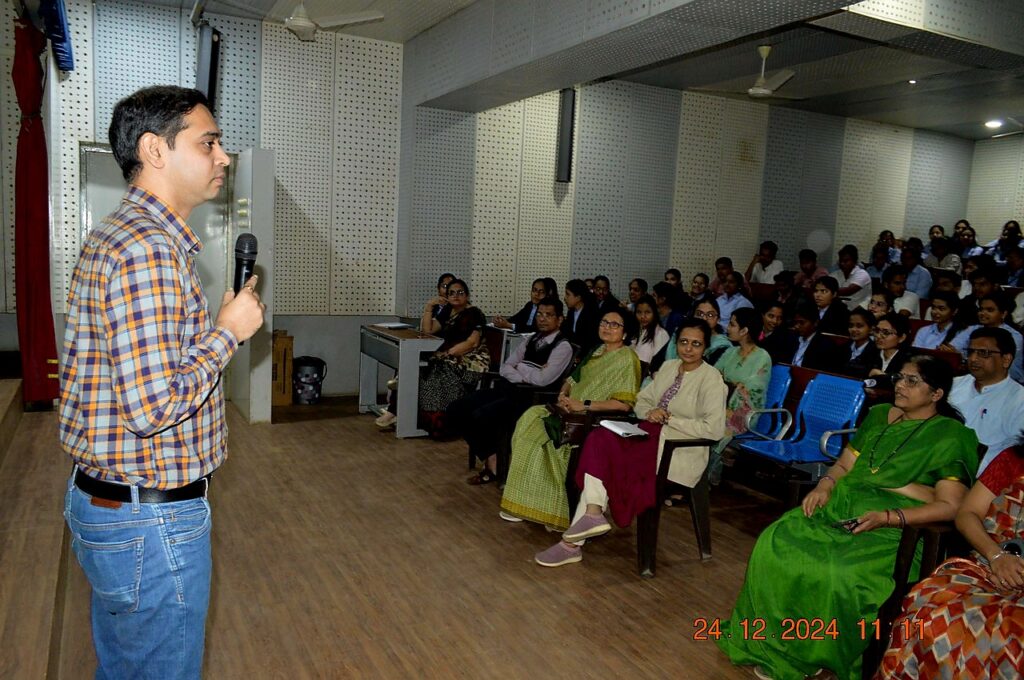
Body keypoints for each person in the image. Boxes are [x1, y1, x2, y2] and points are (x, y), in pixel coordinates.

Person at [59, 86, 266, 679]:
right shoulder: (148, 250)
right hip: (149, 523)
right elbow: (153, 407)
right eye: (208, 143)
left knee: (125, 666)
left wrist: (215, 331)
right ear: (154, 150)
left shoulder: (121, 235)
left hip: (117, 508)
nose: (222, 157)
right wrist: (227, 333)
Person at [717, 355, 979, 680]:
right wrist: (824, 485)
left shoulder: (951, 435)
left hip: (895, 530)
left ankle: (818, 654)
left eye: (912, 381)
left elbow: (951, 505)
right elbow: (844, 465)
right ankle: (773, 641)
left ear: (936, 393)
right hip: (840, 507)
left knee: (835, 571)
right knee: (775, 543)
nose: (900, 385)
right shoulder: (880, 414)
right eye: (899, 377)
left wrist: (888, 516)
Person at [533, 319, 726, 567]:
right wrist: (651, 412)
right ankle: (593, 512)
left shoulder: (711, 379)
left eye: (696, 344)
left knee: (606, 461)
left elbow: (713, 429)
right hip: (649, 435)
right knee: (599, 438)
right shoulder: (669, 367)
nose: (688, 349)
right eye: (684, 342)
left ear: (706, 346)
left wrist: (670, 419)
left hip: (677, 450)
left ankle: (571, 545)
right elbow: (642, 401)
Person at [877, 443, 1024, 679]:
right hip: (990, 562)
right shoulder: (1013, 460)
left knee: (1009, 632)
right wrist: (996, 557)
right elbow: (967, 513)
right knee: (930, 605)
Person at [500, 309, 641, 529]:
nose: (607, 327)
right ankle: (527, 504)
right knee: (529, 419)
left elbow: (623, 404)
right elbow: (572, 379)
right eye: (604, 322)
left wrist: (583, 405)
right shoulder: (597, 350)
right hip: (568, 410)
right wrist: (564, 393)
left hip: (591, 420)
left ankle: (550, 509)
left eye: (615, 324)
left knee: (539, 441)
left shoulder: (627, 359)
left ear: (626, 332)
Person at [448, 298, 573, 484]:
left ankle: (495, 465)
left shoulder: (562, 347)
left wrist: (520, 367)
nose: (542, 319)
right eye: (539, 314)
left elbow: (542, 380)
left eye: (548, 315)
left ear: (560, 319)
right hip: (508, 389)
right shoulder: (531, 339)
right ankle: (492, 457)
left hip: (530, 399)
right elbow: (505, 367)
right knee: (456, 409)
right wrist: (525, 372)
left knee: (481, 416)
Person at [377, 278, 491, 433]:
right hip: (446, 356)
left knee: (428, 373)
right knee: (411, 366)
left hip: (468, 362)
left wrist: (445, 354)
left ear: (467, 295)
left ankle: (429, 421)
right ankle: (398, 411)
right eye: (451, 293)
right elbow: (428, 331)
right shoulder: (448, 310)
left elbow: (472, 343)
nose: (456, 296)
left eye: (460, 292)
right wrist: (429, 307)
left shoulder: (474, 314)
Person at [708, 308, 771, 485]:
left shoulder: (762, 357)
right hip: (721, 405)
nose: (727, 328)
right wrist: (732, 384)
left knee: (716, 429)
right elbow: (713, 375)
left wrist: (729, 384)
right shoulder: (730, 352)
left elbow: (754, 390)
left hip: (745, 412)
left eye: (732, 324)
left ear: (744, 330)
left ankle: (705, 478)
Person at [949, 327, 1024, 474]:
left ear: (1006, 359)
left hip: (984, 478)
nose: (973, 359)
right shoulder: (953, 385)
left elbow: (1015, 458)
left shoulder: (1019, 401)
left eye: (983, 353)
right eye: (970, 352)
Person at [952, 292, 1024, 384]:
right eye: (981, 309)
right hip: (976, 377)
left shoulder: (1014, 336)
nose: (982, 313)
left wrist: (963, 358)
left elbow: (995, 363)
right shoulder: (973, 329)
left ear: (1003, 314)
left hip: (1010, 381)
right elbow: (952, 350)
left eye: (990, 310)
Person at [669, 298, 732, 365]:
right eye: (699, 314)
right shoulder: (679, 334)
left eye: (710, 315)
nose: (704, 318)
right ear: (693, 316)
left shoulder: (722, 345)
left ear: (718, 319)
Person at [788, 300, 844, 371]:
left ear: (815, 322)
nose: (797, 326)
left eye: (802, 323)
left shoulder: (826, 346)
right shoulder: (791, 338)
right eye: (795, 322)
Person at [869, 312, 911, 380]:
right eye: (877, 330)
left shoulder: (909, 360)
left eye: (886, 332)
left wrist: (884, 376)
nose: (878, 336)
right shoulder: (870, 351)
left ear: (902, 338)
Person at [840, 307, 880, 379]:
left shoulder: (876, 353)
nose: (853, 329)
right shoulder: (842, 348)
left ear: (871, 329)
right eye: (851, 326)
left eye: (859, 326)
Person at [561, 278, 600, 351]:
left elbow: (589, 341)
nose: (565, 298)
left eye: (568, 294)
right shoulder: (571, 312)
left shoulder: (591, 314)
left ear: (578, 297)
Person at [631, 294, 669, 369]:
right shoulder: (636, 330)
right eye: (639, 312)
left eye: (647, 312)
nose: (642, 316)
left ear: (654, 313)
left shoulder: (661, 334)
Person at [833, 244, 873, 310]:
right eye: (840, 261)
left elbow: (849, 291)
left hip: (860, 310)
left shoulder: (862, 274)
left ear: (854, 261)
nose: (842, 263)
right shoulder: (835, 274)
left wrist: (828, 291)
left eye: (845, 261)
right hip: (841, 309)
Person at [759, 300, 798, 365]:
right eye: (771, 316)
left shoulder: (786, 339)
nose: (775, 321)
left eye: (779, 318)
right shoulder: (753, 331)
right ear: (763, 315)